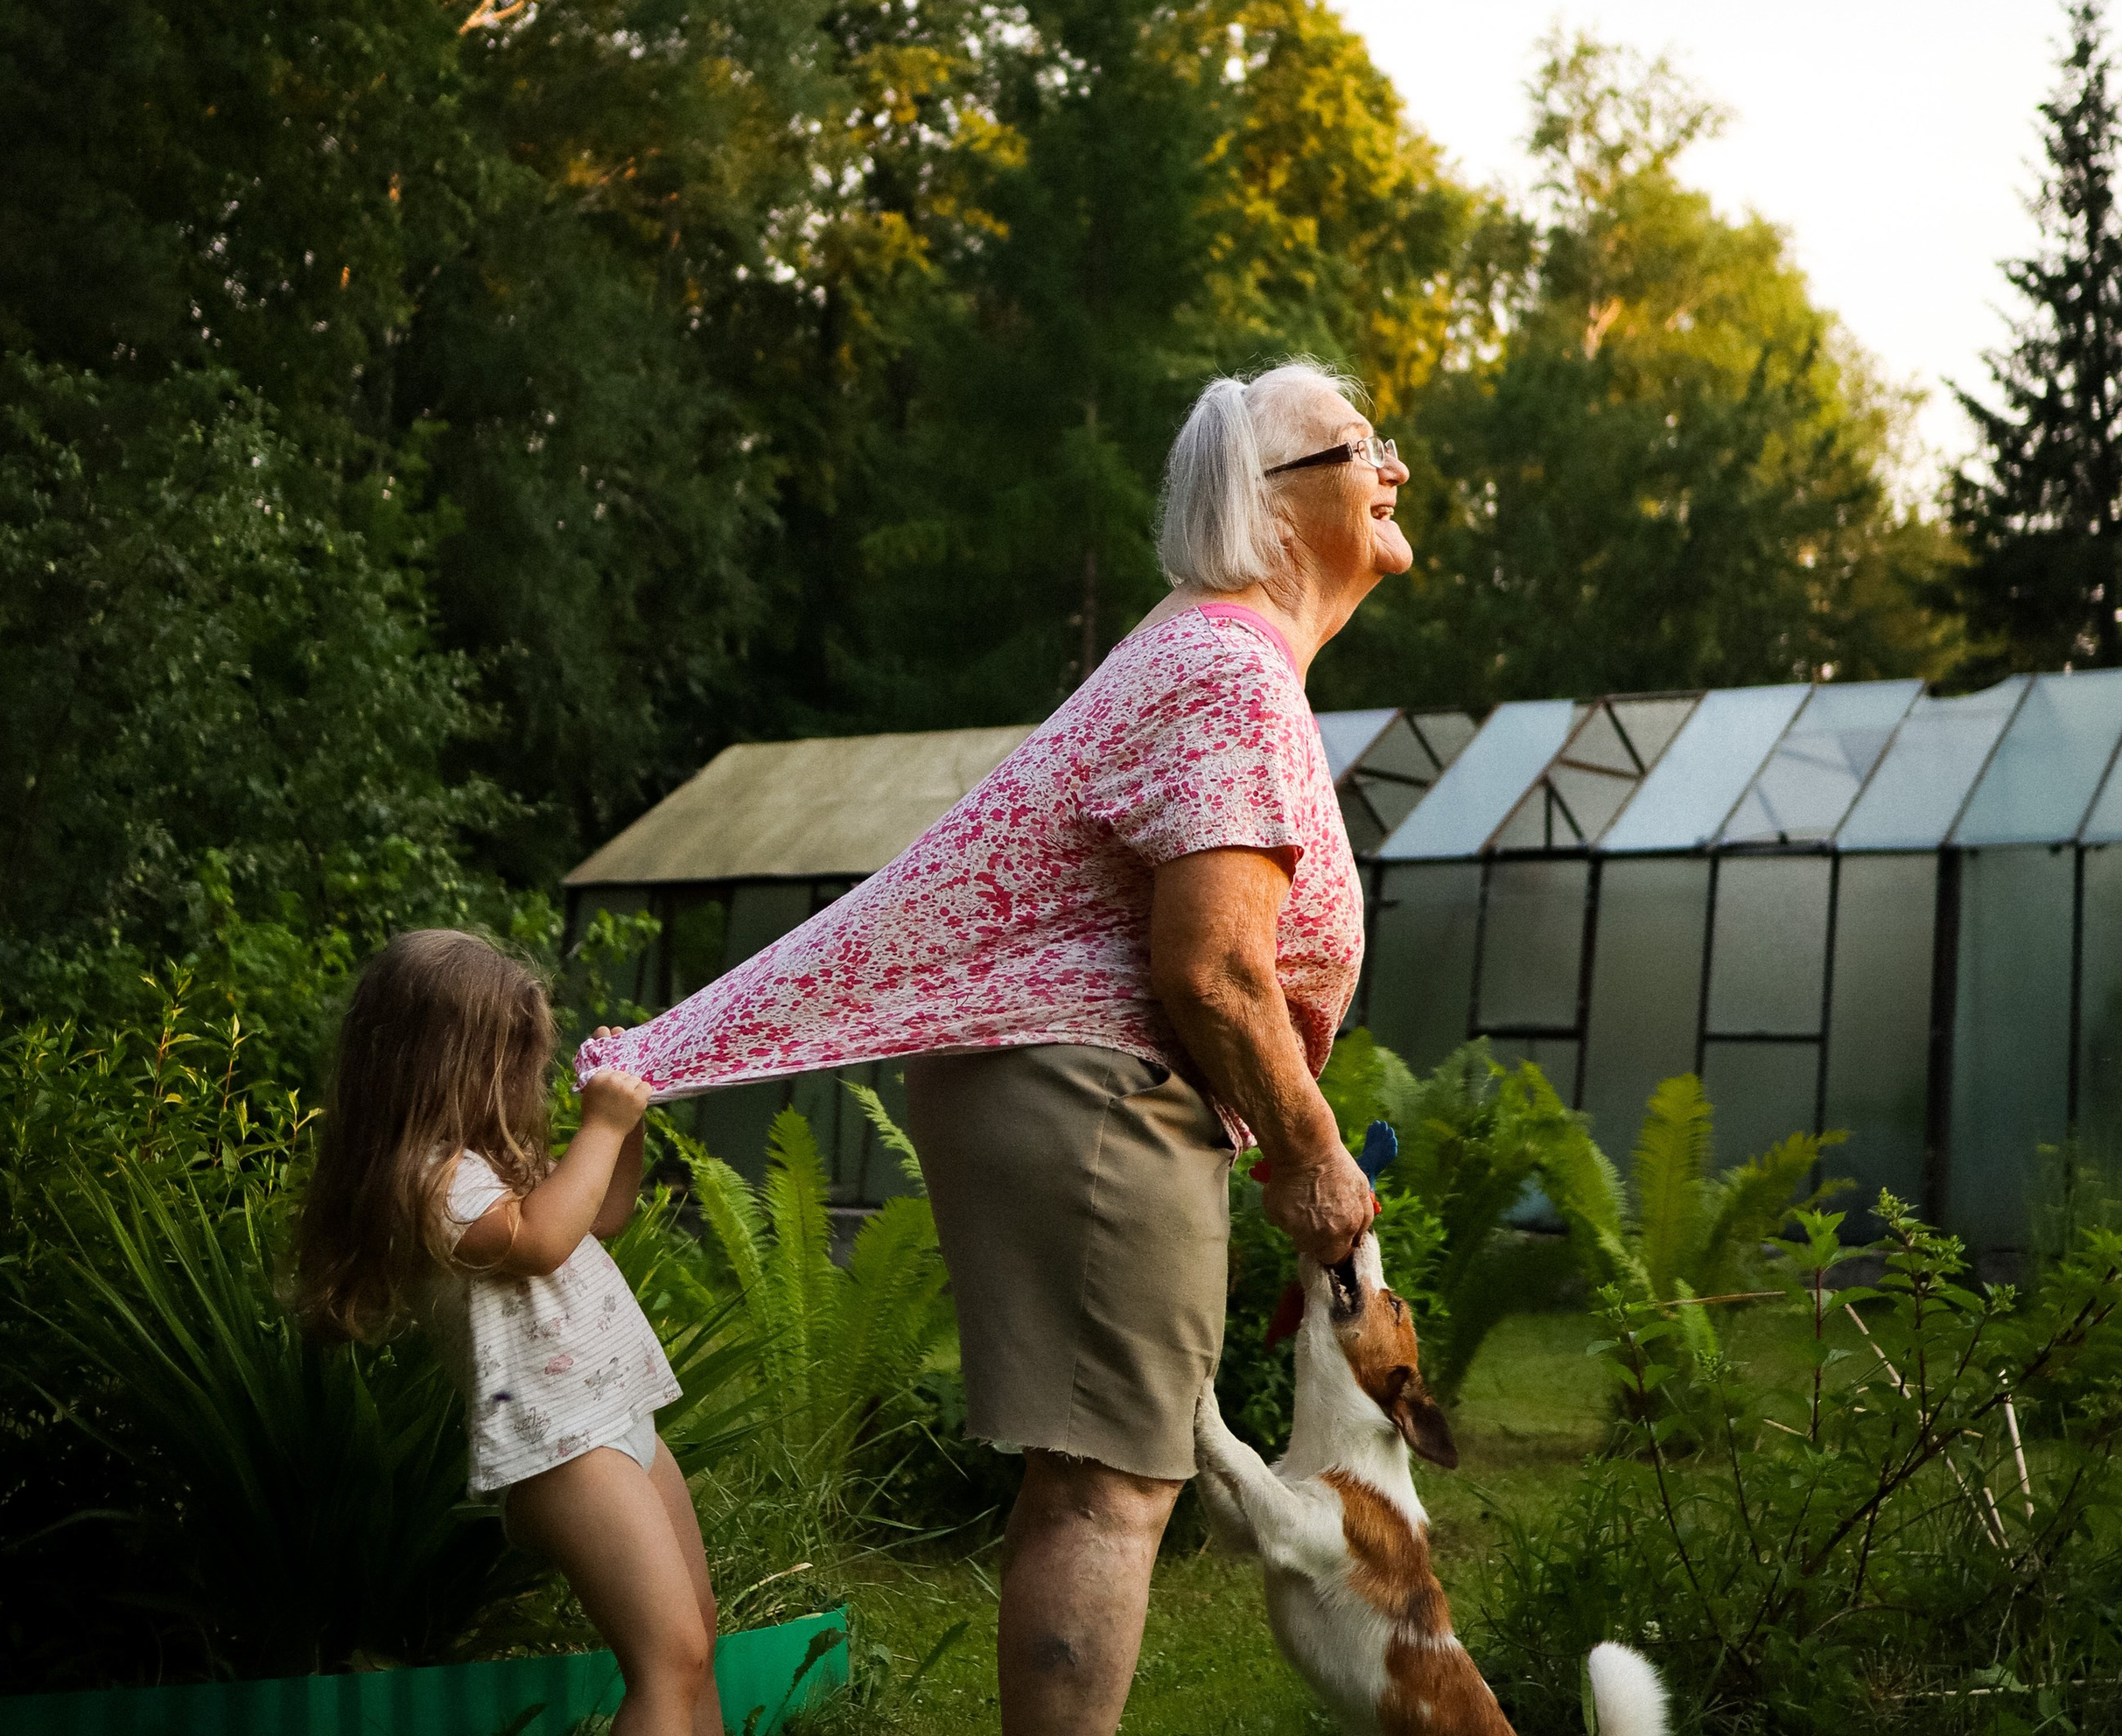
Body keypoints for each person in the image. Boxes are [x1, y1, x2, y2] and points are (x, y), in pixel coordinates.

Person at [580, 358, 1413, 1736]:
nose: (1392, 468)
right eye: (1358, 445)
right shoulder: (1227, 665)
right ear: (1267, 505)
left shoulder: (1221, 657)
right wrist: (1313, 1156)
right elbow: (1210, 968)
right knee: (1112, 1482)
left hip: (1084, 1085)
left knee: (1104, 1475)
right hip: (1101, 1089)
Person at [294, 929, 718, 1736]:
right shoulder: (428, 1180)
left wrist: (624, 1124)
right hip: (561, 1447)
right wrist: (599, 1123)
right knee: (666, 1662)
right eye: (514, 1052)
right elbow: (541, 1241)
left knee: (694, 1641)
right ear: (447, 1060)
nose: (526, 1074)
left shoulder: (483, 1162)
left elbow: (603, 1215)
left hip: (617, 1421)